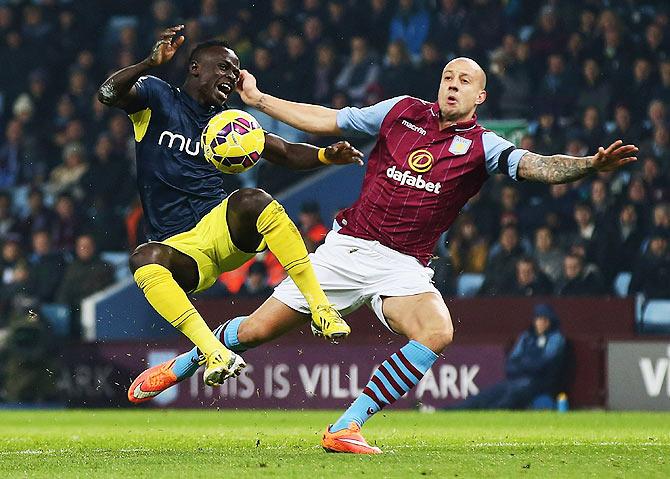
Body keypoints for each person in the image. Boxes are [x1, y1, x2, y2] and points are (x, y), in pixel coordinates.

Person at [133, 55, 637, 454]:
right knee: (254, 332)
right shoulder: (400, 112)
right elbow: (328, 120)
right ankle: (180, 367)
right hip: (346, 248)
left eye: (464, 79)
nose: (452, 84)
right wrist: (261, 100)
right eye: (447, 76)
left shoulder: (484, 146)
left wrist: (588, 166)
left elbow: (537, 166)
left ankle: (346, 426)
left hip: (404, 265)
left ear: (480, 95)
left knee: (437, 331)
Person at [98, 26, 362, 391]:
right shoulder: (158, 99)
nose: (231, 76)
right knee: (144, 258)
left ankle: (320, 307)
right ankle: (213, 352)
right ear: (195, 68)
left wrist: (324, 155)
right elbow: (108, 93)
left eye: (235, 71)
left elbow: (283, 150)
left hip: (221, 229)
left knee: (253, 200)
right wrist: (148, 62)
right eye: (223, 67)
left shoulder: (229, 123)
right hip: (181, 251)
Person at [447, 303, 566, 410]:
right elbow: (512, 361)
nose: (541, 323)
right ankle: (453, 410)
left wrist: (524, 364)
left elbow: (545, 364)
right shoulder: (527, 337)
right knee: (489, 394)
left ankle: (492, 414)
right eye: (539, 319)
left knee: (510, 396)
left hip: (538, 383)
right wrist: (527, 365)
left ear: (550, 321)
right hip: (517, 379)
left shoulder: (555, 338)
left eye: (545, 319)